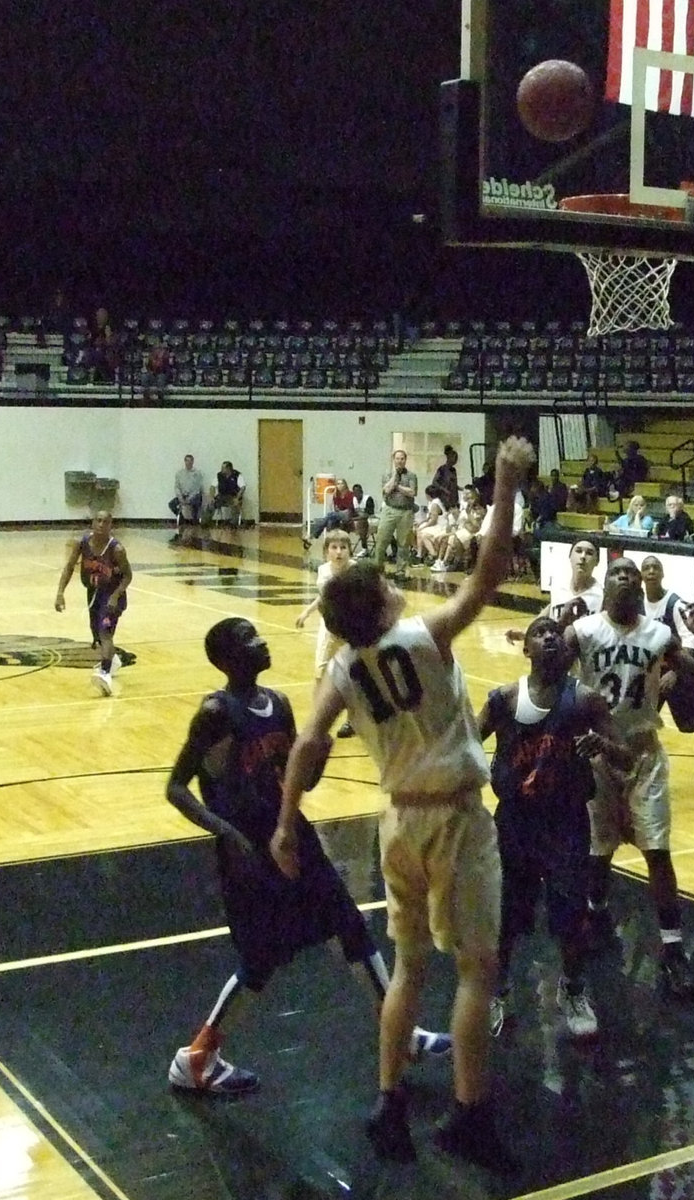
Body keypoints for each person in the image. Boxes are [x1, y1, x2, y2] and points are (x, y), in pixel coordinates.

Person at [272, 435, 537, 1172]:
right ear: (382, 601)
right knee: (477, 971)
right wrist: (507, 484)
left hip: (395, 823)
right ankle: (469, 1117)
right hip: (453, 818)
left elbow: (306, 746)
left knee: (410, 966)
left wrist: (288, 822)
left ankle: (389, 1104)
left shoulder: (343, 670)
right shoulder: (422, 636)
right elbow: (486, 575)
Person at [165, 618, 450, 1097]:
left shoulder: (277, 703)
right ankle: (196, 1057)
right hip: (250, 850)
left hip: (292, 833)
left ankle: (402, 1036)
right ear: (228, 659)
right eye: (250, 640)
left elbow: (297, 779)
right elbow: (176, 787)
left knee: (351, 925)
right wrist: (229, 835)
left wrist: (319, 754)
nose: (263, 641)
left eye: (260, 633)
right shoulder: (216, 712)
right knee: (261, 958)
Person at [478, 617, 631, 1040]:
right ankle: (499, 989)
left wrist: (602, 746)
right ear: (524, 648)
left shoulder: (586, 701)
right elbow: (470, 745)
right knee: (506, 914)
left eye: (555, 634)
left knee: (570, 913)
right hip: (516, 820)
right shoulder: (504, 699)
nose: (549, 636)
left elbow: (626, 758)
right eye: (539, 632)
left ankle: (573, 989)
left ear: (566, 652)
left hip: (565, 820)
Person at [563, 558, 694, 1002]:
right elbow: (550, 677)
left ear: (641, 587)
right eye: (618, 573)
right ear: (606, 585)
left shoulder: (660, 635)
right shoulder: (583, 632)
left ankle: (674, 948)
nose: (625, 578)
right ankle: (596, 914)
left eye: (632, 575)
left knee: (657, 850)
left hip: (643, 750)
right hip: (597, 750)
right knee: (597, 852)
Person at [639, 556, 694, 785]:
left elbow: (691, 644)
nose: (650, 571)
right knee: (640, 717)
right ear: (641, 575)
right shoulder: (638, 604)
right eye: (646, 568)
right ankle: (640, 761)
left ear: (662, 574)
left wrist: (675, 673)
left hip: (681, 671)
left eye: (655, 567)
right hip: (653, 672)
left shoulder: (675, 604)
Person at [54, 509, 132, 696]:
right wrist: (60, 593)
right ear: (92, 523)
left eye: (105, 522)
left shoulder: (117, 550)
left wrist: (115, 596)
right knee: (96, 634)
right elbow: (69, 567)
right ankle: (112, 660)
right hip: (94, 593)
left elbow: (128, 576)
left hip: (113, 595)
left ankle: (105, 673)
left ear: (110, 525)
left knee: (105, 633)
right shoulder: (82, 544)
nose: (101, 525)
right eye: (98, 520)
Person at [296, 530, 357, 736]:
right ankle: (318, 721)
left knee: (353, 674)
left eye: (343, 547)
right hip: (329, 628)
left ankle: (353, 720)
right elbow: (323, 597)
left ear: (350, 550)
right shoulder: (323, 571)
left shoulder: (356, 572)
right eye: (334, 547)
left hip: (350, 629)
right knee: (321, 672)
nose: (339, 552)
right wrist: (306, 612)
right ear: (326, 552)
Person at [504, 537, 602, 643]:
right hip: (557, 655)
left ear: (597, 562)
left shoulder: (601, 596)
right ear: (570, 557)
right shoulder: (559, 586)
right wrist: (528, 631)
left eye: (589, 553)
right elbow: (551, 608)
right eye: (578, 551)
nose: (583, 556)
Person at [372, 449, 418, 576]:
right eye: (397, 458)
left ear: (405, 460)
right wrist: (395, 478)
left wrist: (397, 486)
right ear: (394, 460)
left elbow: (412, 492)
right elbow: (386, 490)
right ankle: (378, 569)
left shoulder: (411, 475)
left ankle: (401, 570)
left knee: (403, 543)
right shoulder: (387, 474)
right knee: (382, 540)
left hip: (406, 512)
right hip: (389, 510)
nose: (400, 461)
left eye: (402, 459)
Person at [431, 485, 486, 572]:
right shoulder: (468, 508)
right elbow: (466, 524)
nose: (469, 500)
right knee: (455, 537)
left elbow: (476, 526)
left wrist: (469, 518)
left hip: (476, 532)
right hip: (465, 529)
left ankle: (454, 562)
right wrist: (468, 522)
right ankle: (452, 561)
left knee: (456, 537)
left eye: (471, 498)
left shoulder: (480, 509)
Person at [173, 454, 205, 530]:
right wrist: (180, 498)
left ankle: (195, 520)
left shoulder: (197, 473)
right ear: (184, 462)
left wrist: (189, 499)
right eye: (187, 461)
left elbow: (197, 489)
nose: (188, 463)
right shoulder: (179, 473)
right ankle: (182, 517)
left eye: (190, 461)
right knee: (172, 504)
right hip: (183, 495)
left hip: (194, 496)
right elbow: (176, 487)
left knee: (196, 501)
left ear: (193, 462)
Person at [209, 461, 245, 528]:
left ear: (228, 469)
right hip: (222, 496)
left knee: (235, 505)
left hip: (233, 496)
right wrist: (212, 496)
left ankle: (233, 524)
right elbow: (212, 487)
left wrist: (237, 498)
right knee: (211, 504)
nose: (221, 469)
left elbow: (243, 488)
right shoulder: (219, 476)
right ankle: (206, 522)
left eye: (223, 468)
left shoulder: (237, 475)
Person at [431, 444, 460, 511]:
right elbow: (434, 482)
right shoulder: (442, 469)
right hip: (444, 498)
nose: (456, 460)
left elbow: (454, 484)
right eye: (454, 458)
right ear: (449, 458)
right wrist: (444, 489)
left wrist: (460, 488)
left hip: (453, 498)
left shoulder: (453, 470)